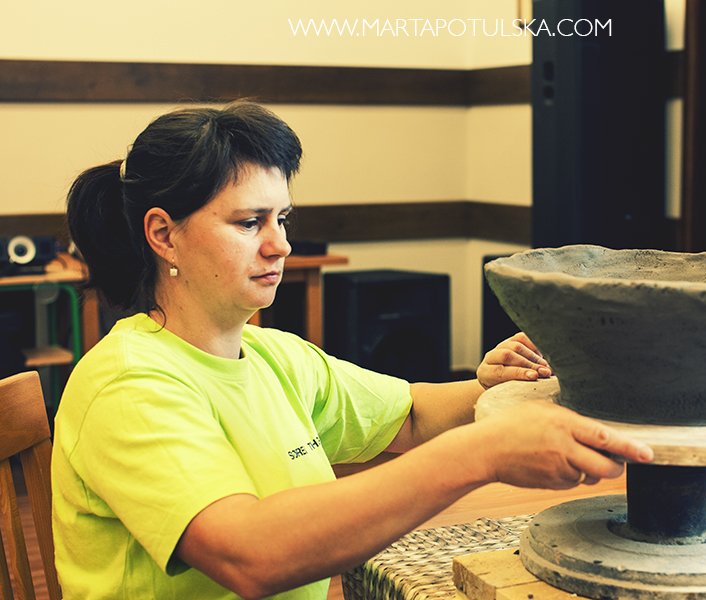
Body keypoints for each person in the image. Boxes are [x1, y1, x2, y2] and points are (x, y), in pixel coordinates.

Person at [52, 101, 654, 600]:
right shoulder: (128, 385)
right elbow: (250, 555)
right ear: (163, 234)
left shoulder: (273, 356)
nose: (280, 245)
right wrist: (482, 452)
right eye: (249, 222)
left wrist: (500, 389)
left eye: (283, 219)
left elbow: (409, 417)